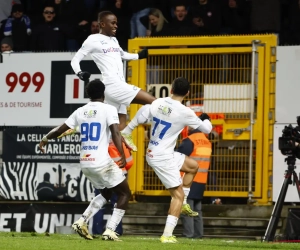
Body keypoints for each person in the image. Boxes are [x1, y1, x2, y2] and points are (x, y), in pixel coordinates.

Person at [121, 77, 212, 243]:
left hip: (162, 153)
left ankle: (183, 202)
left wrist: (130, 128)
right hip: (162, 157)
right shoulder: (185, 111)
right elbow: (206, 129)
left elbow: (144, 112)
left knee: (193, 166)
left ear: (171, 89)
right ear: (188, 93)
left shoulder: (159, 102)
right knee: (176, 196)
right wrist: (206, 118)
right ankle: (167, 234)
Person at [39, 79, 131, 241]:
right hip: (102, 161)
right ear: (104, 93)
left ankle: (81, 221)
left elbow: (60, 129)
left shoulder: (80, 111)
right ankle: (110, 230)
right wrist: (122, 154)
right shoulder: (109, 109)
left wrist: (45, 139)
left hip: (85, 162)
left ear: (88, 94)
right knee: (124, 193)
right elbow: (116, 133)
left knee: (106, 192)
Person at [70, 10, 156, 151]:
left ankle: (111, 159)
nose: (116, 26)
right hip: (113, 84)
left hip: (117, 85)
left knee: (118, 124)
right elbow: (75, 59)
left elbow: (122, 55)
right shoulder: (93, 39)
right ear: (102, 24)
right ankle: (128, 132)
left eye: (117, 23)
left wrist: (138, 56)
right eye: (113, 23)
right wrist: (79, 72)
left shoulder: (114, 40)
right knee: (155, 102)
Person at [178, 125, 212, 239]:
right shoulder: (207, 141)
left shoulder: (190, 141)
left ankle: (188, 234)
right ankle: (198, 234)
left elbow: (178, 157)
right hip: (201, 180)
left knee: (186, 207)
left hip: (188, 179)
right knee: (197, 209)